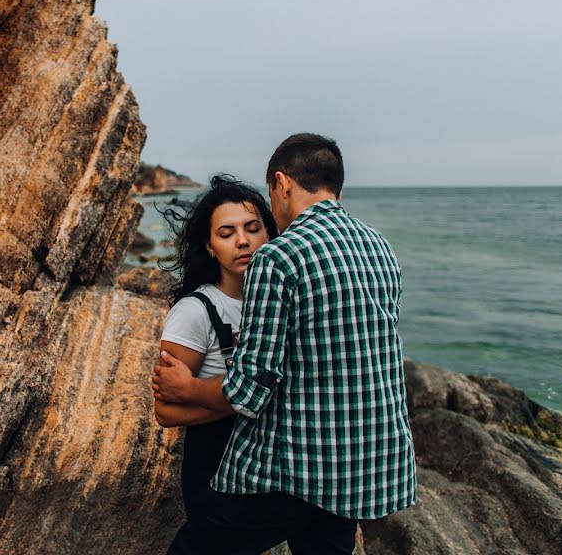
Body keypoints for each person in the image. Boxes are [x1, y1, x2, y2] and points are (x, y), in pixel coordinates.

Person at [152, 134, 417, 554]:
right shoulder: (379, 247)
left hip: (298, 470)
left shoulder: (278, 258)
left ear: (282, 185)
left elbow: (250, 391)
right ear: (336, 187)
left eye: (256, 222)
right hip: (363, 466)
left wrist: (188, 388)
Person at [153, 175, 278, 524]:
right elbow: (166, 411)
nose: (243, 241)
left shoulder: (279, 302)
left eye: (253, 228)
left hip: (271, 471)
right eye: (226, 233)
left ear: (268, 233)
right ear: (209, 246)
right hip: (215, 474)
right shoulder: (195, 311)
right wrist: (253, 403)